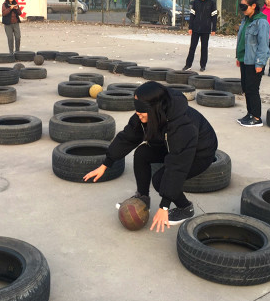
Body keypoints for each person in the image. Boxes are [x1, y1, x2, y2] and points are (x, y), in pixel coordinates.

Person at [83, 81, 218, 231]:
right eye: (137, 112)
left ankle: (185, 208)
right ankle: (142, 198)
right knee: (142, 153)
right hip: (173, 144)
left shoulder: (183, 125)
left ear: (154, 109)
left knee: (160, 180)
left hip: (200, 152)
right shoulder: (148, 113)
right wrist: (106, 164)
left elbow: (177, 165)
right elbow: (128, 136)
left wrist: (164, 206)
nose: (138, 115)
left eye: (141, 113)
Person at [235, 0, 270, 127]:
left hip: (255, 62)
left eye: (244, 6)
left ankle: (256, 117)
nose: (242, 9)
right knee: (245, 87)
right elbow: (241, 40)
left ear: (253, 6)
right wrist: (239, 57)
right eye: (241, 6)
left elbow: (263, 44)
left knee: (252, 89)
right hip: (245, 60)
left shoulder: (261, 22)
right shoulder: (245, 20)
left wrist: (260, 63)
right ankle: (250, 113)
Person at [182, 0, 218, 72]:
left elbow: (214, 17)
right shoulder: (195, 2)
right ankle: (188, 65)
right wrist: (190, 27)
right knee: (192, 47)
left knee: (204, 48)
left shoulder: (212, 3)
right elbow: (192, 15)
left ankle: (203, 65)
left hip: (206, 29)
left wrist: (213, 29)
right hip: (195, 29)